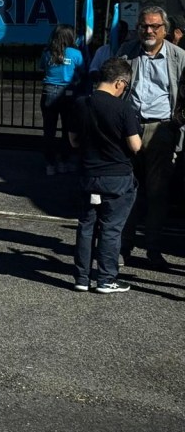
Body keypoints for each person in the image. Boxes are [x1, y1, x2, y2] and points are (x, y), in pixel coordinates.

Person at [116, 6, 185, 271]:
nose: (148, 30)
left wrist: (178, 121)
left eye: (155, 26)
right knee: (127, 191)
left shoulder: (179, 57)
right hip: (129, 128)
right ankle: (123, 247)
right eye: (144, 25)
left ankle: (153, 250)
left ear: (165, 30)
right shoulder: (127, 52)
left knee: (157, 193)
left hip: (162, 130)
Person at [67, 58, 141, 294]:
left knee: (86, 226)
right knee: (111, 228)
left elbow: (73, 140)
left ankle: (82, 278)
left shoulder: (80, 104)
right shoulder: (124, 109)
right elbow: (135, 145)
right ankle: (106, 279)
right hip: (116, 176)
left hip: (88, 175)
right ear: (120, 83)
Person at [38, 24, 84, 176]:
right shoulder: (76, 53)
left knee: (49, 130)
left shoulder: (47, 52)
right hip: (68, 93)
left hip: (49, 91)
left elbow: (41, 68)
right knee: (67, 129)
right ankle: (65, 162)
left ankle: (49, 164)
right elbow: (82, 71)